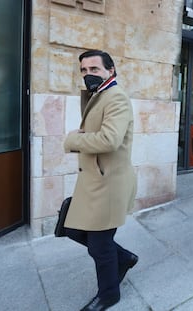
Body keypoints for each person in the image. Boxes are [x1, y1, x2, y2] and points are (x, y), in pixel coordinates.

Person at [63, 50, 138, 311]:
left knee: (99, 245)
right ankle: (125, 257)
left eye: (94, 69)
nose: (88, 75)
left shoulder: (116, 97)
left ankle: (109, 295)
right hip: (94, 182)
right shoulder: (99, 95)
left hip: (108, 184)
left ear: (110, 70)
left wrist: (72, 139)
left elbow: (109, 140)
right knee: (71, 229)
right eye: (83, 70)